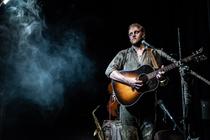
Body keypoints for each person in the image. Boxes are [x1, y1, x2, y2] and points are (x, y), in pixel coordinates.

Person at [105, 22, 166, 140]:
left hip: (148, 108)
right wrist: (129, 81)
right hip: (128, 109)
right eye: (130, 34)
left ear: (143, 34)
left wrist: (162, 78)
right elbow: (109, 71)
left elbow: (161, 82)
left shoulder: (153, 54)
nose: (133, 35)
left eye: (136, 32)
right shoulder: (124, 54)